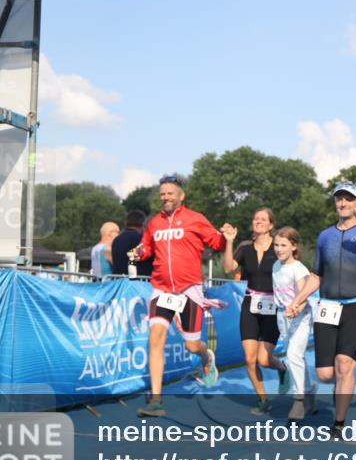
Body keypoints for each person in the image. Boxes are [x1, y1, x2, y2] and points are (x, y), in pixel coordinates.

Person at [287, 181, 356, 439]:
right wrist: (299, 299)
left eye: (348, 199)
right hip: (328, 308)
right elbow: (317, 275)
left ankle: (339, 423)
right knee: (325, 375)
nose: (343, 203)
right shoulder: (325, 236)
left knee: (345, 365)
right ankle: (336, 389)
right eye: (339, 199)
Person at [131, 175, 228, 418]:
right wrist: (138, 253)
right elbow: (147, 250)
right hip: (162, 289)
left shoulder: (195, 219)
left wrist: (226, 236)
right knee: (155, 339)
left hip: (189, 290)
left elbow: (216, 243)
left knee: (191, 344)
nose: (165, 197)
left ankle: (206, 356)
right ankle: (156, 400)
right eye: (162, 193)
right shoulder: (154, 223)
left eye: (170, 193)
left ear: (181, 195)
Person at [221, 208, 289, 416]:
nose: (258, 221)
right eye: (255, 218)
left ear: (271, 225)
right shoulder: (245, 248)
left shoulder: (278, 248)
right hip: (250, 305)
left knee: (263, 359)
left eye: (263, 219)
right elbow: (228, 268)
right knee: (250, 359)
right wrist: (229, 241)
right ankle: (263, 399)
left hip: (272, 306)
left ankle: (282, 368)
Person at [272, 226, 317, 421]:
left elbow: (305, 295)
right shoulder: (276, 265)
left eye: (283, 245)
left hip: (300, 316)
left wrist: (296, 308)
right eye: (276, 245)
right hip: (282, 316)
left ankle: (299, 400)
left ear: (293, 246)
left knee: (292, 355)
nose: (279, 249)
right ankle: (309, 391)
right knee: (297, 357)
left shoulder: (298, 268)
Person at [112, 210, 154, 277]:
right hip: (140, 283)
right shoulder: (141, 239)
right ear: (143, 225)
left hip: (120, 283)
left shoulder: (116, 240)